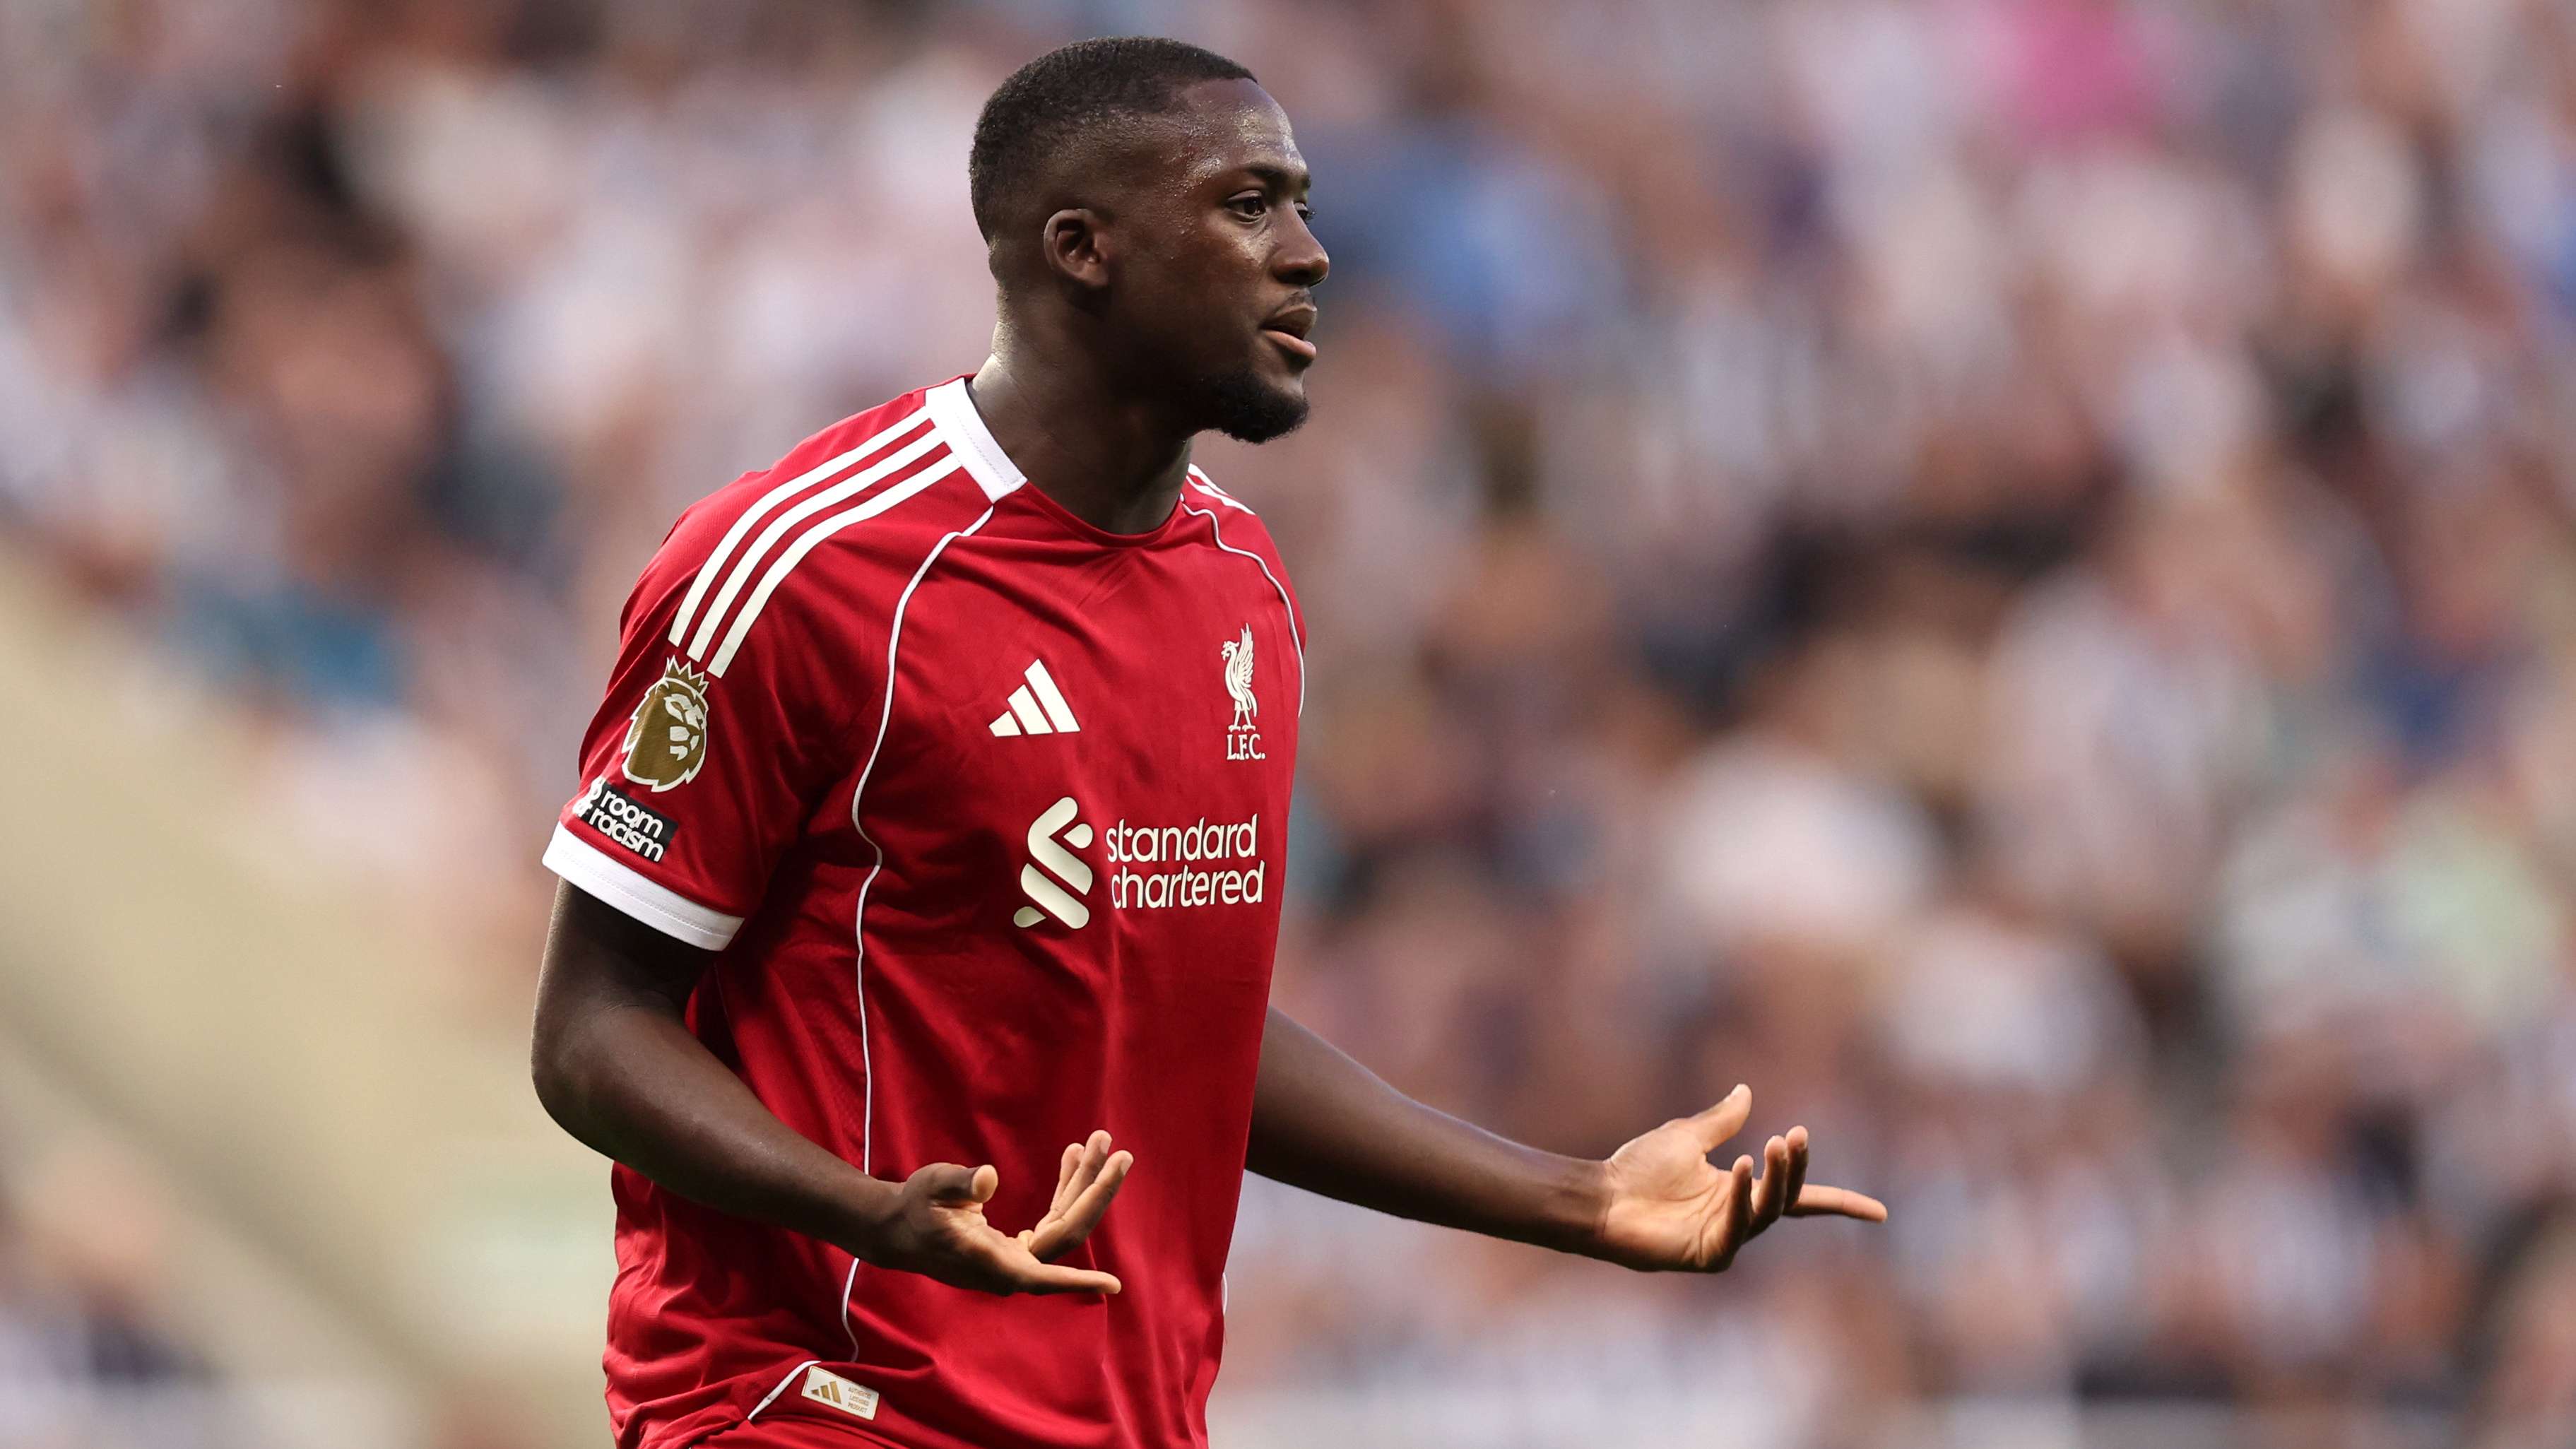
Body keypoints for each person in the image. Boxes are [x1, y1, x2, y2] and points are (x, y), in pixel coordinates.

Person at [528, 35, 1884, 1449]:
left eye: (1299, 205)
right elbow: (591, 1031)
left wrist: (1576, 1199)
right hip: (807, 1406)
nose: (1306, 252)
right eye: (1247, 205)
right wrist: (863, 1212)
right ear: (1081, 249)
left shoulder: (1242, 587)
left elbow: (1179, 1022)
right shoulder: (804, 568)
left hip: (1122, 1419)